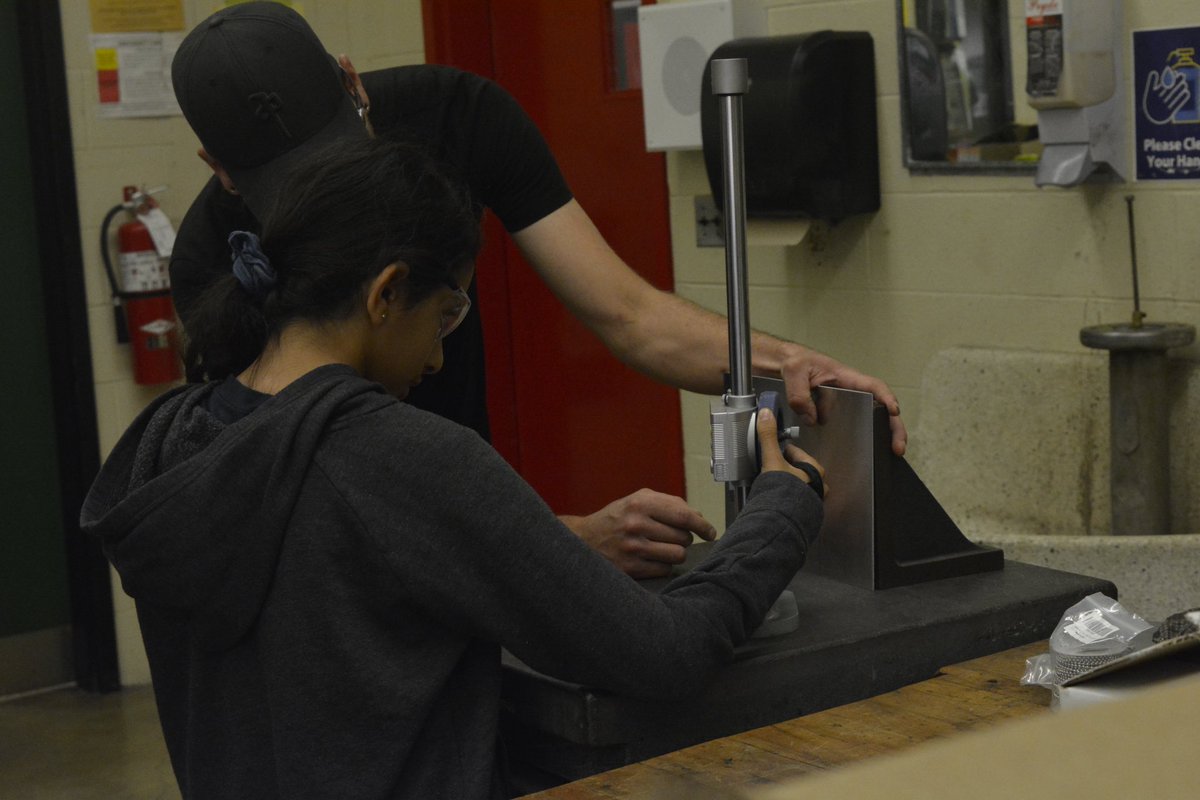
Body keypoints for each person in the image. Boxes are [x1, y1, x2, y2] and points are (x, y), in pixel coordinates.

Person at [80, 135, 826, 800]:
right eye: (444, 315)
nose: (439, 357)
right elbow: (662, 653)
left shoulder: (174, 442)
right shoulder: (402, 456)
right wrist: (779, 509)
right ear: (386, 293)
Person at [166, 2, 892, 577]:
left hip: (474, 534)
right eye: (299, 191)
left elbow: (631, 314)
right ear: (219, 169)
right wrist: (561, 543)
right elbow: (321, 511)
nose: (333, 201)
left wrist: (788, 364)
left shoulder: (459, 117)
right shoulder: (212, 265)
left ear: (354, 84)